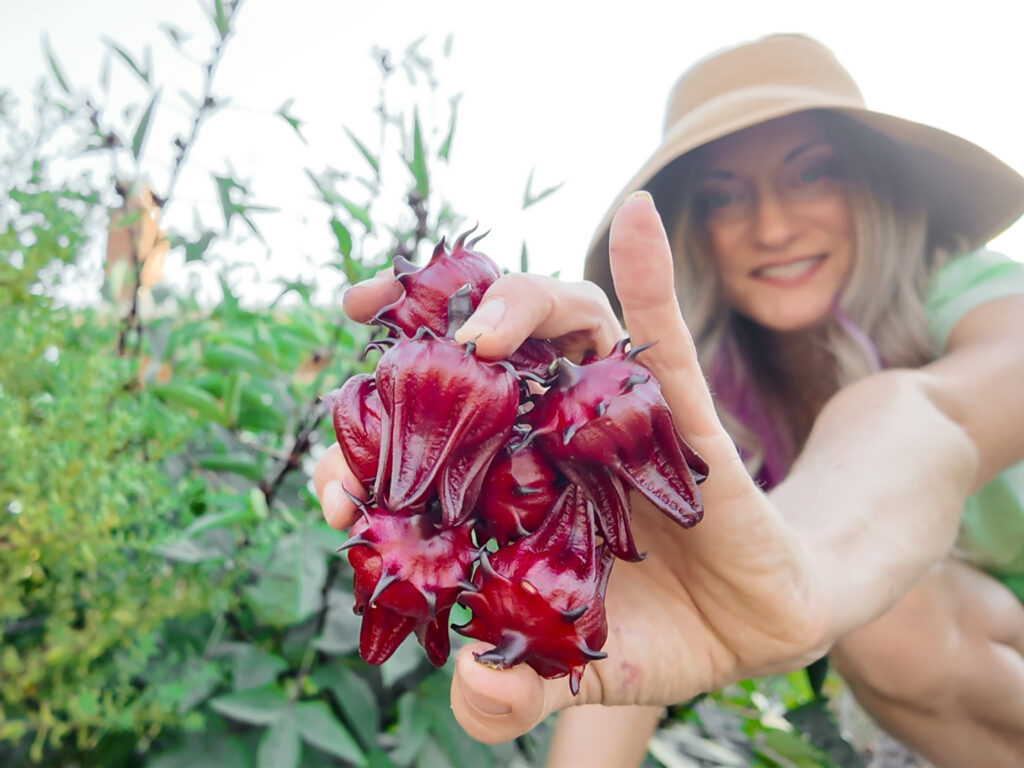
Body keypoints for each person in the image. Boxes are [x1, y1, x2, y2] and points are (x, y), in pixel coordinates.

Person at [314, 33, 1024, 767]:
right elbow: (634, 606)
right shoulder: (689, 402)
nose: (773, 227)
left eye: (812, 174)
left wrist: (810, 566)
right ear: (694, 227)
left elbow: (939, 415)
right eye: (724, 195)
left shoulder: (975, 293)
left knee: (893, 623)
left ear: (872, 185)